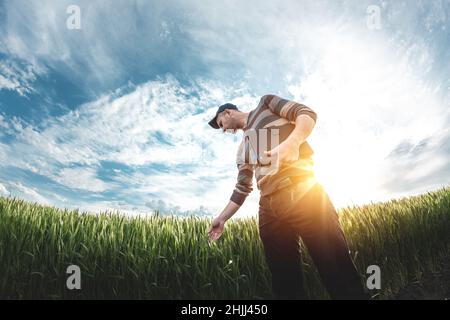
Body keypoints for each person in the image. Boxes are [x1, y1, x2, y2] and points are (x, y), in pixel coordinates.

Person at [207, 94, 368, 299]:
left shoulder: (265, 104)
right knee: (284, 282)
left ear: (227, 112)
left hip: (303, 190)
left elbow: (306, 113)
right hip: (268, 207)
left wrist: (293, 142)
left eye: (221, 123)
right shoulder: (242, 150)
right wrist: (222, 218)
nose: (223, 129)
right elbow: (242, 188)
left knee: (335, 268)